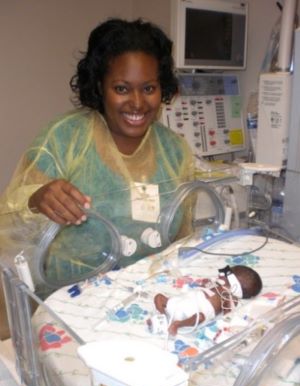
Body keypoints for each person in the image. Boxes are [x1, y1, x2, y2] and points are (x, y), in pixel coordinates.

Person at [0, 18, 194, 294]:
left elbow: (183, 240)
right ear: (100, 86)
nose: (137, 102)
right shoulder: (65, 139)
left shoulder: (175, 151)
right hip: (72, 303)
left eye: (148, 88)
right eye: (122, 88)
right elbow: (10, 226)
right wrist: (37, 199)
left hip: (152, 297)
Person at [152, 265, 263, 336]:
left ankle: (178, 324)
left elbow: (227, 313)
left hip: (196, 311)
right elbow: (203, 285)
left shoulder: (229, 297)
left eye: (227, 274)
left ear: (234, 286)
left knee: (200, 317)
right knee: (159, 297)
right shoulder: (216, 284)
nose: (221, 273)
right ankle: (161, 314)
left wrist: (228, 313)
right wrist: (205, 283)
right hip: (183, 301)